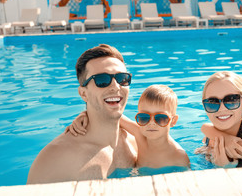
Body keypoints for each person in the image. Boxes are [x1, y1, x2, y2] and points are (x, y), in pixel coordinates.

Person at [27, 44, 136, 184]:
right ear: (83, 94)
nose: (116, 86)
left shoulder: (138, 141)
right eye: (102, 80)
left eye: (122, 78)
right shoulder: (55, 158)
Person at [67, 84, 190, 169]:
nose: (151, 123)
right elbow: (109, 113)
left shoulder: (179, 157)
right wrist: (84, 114)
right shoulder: (140, 134)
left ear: (173, 121)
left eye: (161, 118)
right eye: (144, 117)